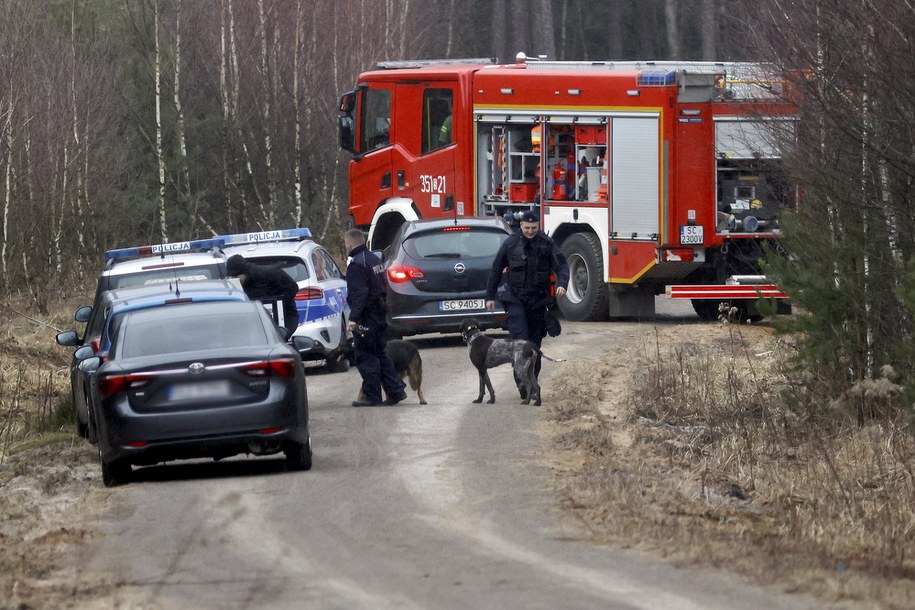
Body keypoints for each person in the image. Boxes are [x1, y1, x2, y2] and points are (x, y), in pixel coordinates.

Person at [484, 210, 569, 398]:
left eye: (534, 228)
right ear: (521, 226)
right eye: (527, 228)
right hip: (515, 300)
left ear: (538, 226)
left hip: (538, 301)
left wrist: (563, 284)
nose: (530, 231)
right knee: (521, 342)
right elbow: (496, 269)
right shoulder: (511, 243)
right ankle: (522, 382)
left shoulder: (547, 244)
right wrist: (489, 296)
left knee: (534, 346)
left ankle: (532, 383)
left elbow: (562, 266)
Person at [343, 229, 407, 407]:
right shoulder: (374, 259)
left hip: (366, 316)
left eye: (346, 243)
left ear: (349, 243)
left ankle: (372, 396)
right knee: (381, 354)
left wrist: (354, 318)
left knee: (366, 356)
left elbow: (360, 293)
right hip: (379, 313)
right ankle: (395, 391)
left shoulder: (357, 264)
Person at [226, 254, 300, 336]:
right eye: (231, 277)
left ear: (245, 272)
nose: (234, 280)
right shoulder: (239, 286)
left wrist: (278, 302)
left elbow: (293, 288)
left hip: (286, 318)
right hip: (258, 324)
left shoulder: (271, 273)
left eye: (236, 276)